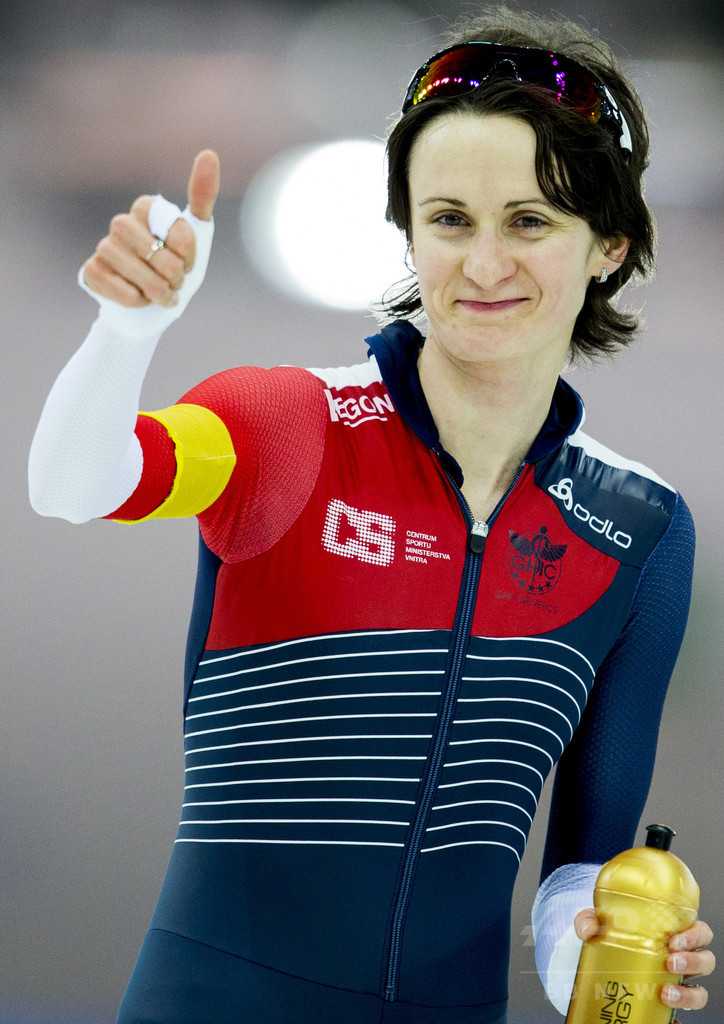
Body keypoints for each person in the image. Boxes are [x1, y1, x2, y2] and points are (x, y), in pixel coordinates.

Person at [28, 7, 715, 1024]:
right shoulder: (284, 423)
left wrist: (608, 957)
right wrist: (126, 333)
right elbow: (75, 484)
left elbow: (578, 873)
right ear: (408, 233)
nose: (484, 264)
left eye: (529, 222)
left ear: (609, 245)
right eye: (450, 220)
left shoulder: (641, 529)